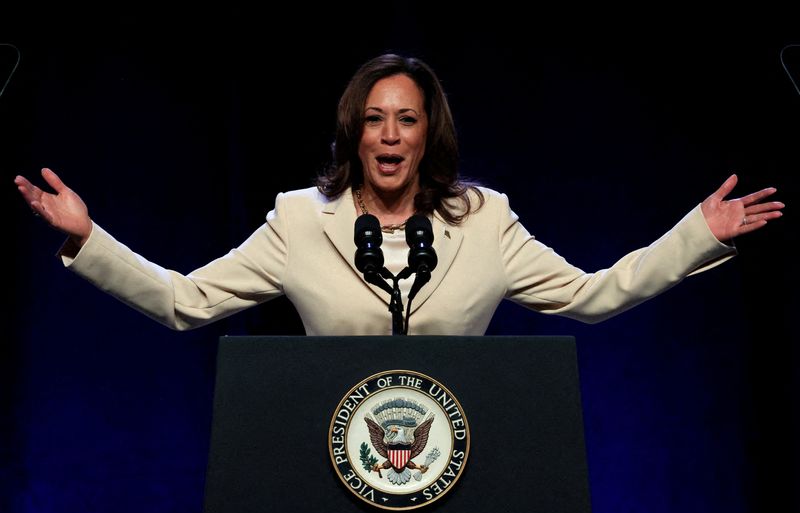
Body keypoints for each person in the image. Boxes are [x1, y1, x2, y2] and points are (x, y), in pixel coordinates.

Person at [14, 54, 784, 335]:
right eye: (374, 119)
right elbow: (185, 301)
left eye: (405, 120)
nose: (388, 135)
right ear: (353, 134)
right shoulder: (297, 221)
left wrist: (698, 234)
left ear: (426, 135)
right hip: (325, 472)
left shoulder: (486, 220)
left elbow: (593, 295)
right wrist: (89, 236)